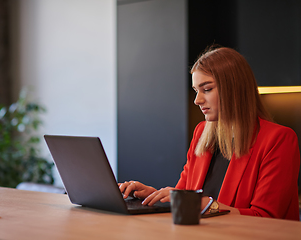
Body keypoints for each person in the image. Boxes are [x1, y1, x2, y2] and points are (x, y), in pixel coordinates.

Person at [119, 46, 300, 220]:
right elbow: (185, 194)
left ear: (234, 89)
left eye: (207, 89)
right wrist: (154, 196)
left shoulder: (278, 139)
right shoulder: (201, 132)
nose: (197, 100)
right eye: (196, 91)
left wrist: (203, 204)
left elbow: (266, 217)